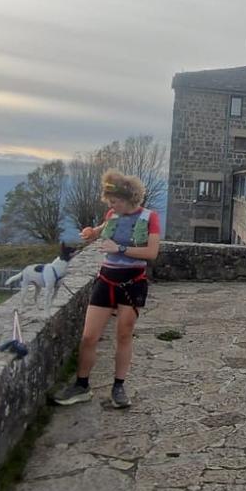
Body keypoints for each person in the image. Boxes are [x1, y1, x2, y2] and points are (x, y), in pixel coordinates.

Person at [54, 169, 161, 408]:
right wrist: (92, 233)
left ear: (129, 199)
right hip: (106, 279)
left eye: (115, 201)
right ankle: (82, 386)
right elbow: (104, 228)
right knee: (89, 336)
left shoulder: (149, 217)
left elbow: (151, 253)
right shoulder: (113, 214)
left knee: (123, 335)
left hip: (133, 282)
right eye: (110, 202)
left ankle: (118, 386)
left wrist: (119, 250)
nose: (111, 205)